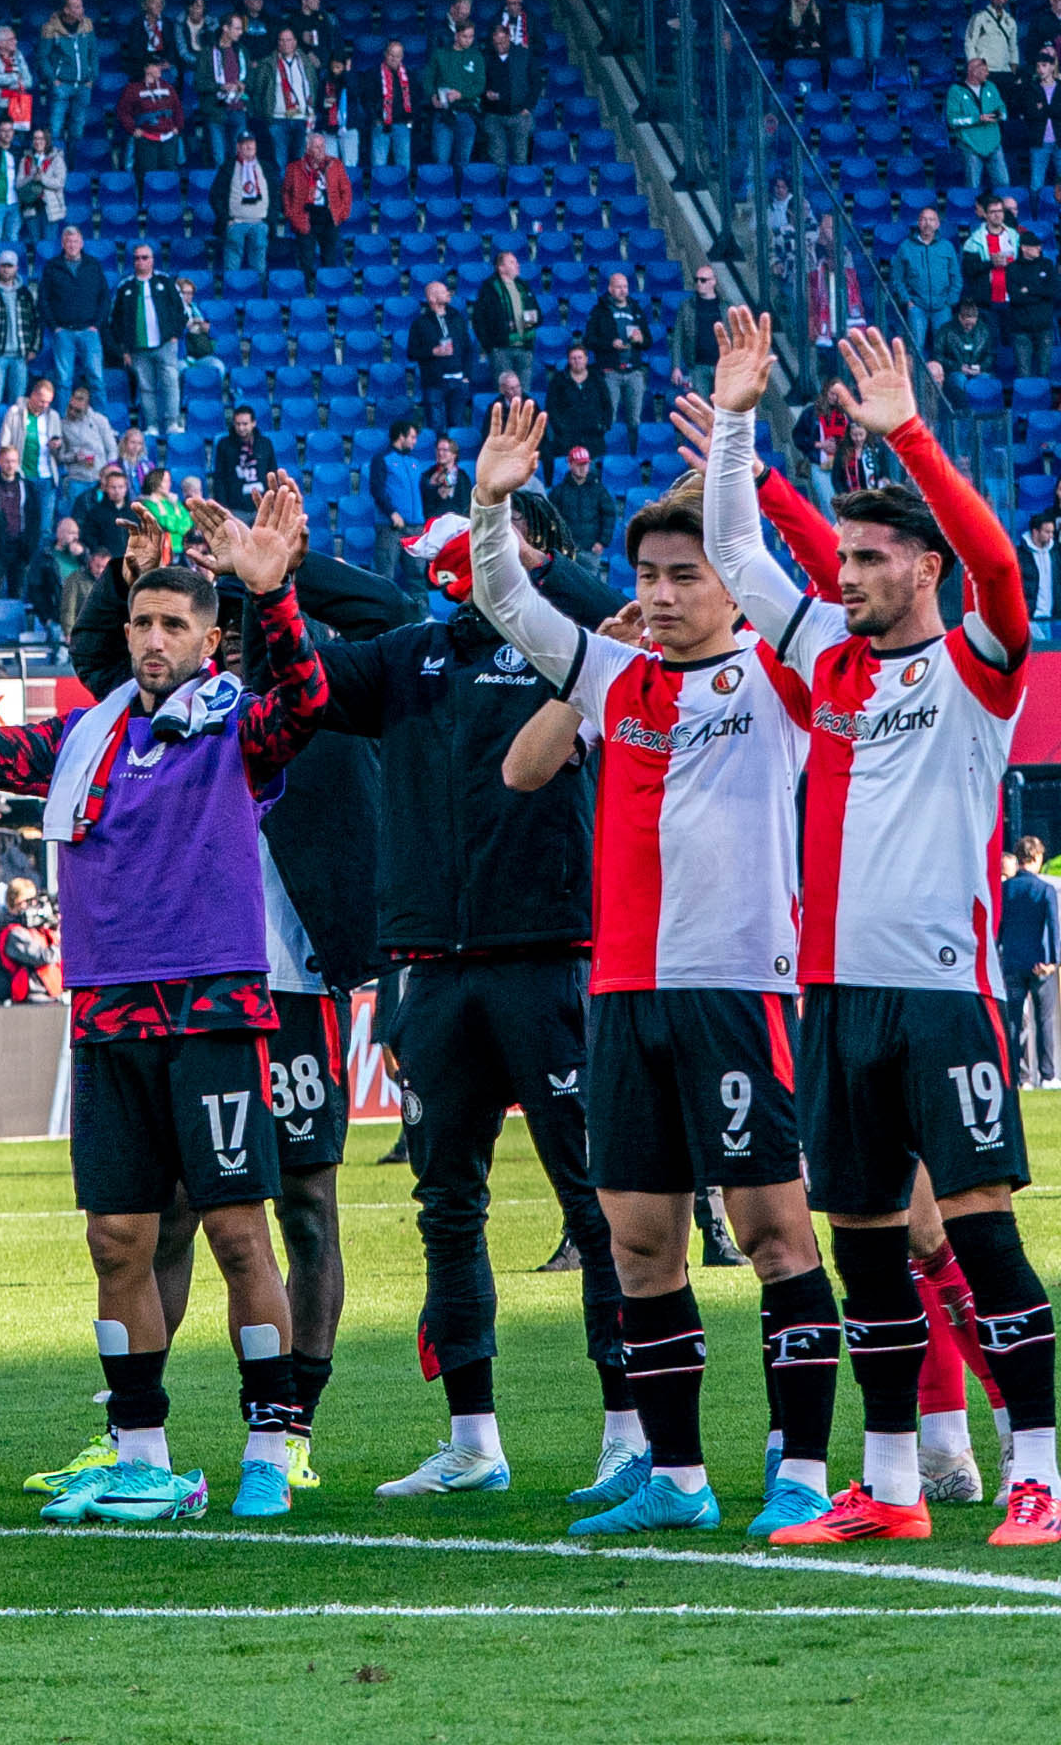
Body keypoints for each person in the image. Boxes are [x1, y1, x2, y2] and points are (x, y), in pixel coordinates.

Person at [0, 484, 327, 1521]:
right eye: (143, 623)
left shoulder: (238, 730)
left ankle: (269, 1441)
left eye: (175, 623)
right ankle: (142, 1451)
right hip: (108, 1019)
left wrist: (273, 591)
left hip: (210, 1013)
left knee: (239, 1234)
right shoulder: (83, 738)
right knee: (117, 1240)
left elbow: (307, 702)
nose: (155, 638)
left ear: (210, 638)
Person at [459, 328, 850, 1541]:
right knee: (637, 1240)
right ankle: (676, 1474)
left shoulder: (786, 678)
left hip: (739, 987)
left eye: (691, 574)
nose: (669, 594)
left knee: (777, 1229)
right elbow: (503, 596)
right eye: (654, 576)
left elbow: (768, 549)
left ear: (732, 584)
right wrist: (489, 499)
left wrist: (735, 428)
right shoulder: (611, 678)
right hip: (622, 995)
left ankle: (800, 1465)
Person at [720, 328, 1061, 1550]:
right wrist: (732, 429)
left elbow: (999, 561)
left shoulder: (980, 665)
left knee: (979, 1235)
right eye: (844, 555)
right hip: (835, 998)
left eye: (869, 556)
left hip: (939, 996)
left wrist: (906, 432)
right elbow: (735, 557)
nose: (845, 573)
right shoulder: (827, 661)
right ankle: (893, 1486)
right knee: (865, 1253)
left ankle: (1038, 1477)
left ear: (924, 568)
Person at [304, 472, 628, 1505]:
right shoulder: (411, 654)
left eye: (480, 542)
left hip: (552, 953)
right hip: (430, 967)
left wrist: (527, 555)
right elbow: (301, 680)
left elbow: (604, 600)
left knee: (596, 1203)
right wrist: (273, 587)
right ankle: (473, 1438)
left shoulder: (573, 643)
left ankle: (630, 1428)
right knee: (447, 1205)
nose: (455, 565)